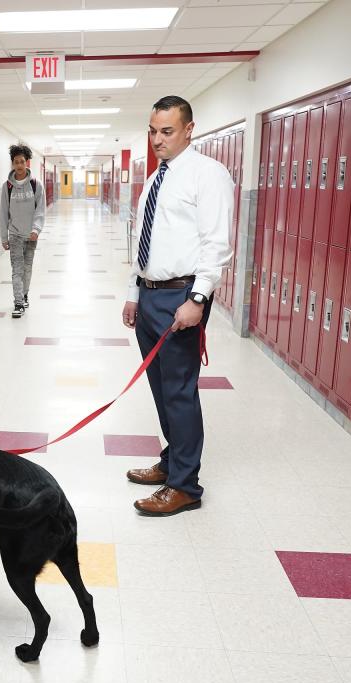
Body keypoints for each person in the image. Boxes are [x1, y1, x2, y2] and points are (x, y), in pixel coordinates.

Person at [121, 95, 233, 517]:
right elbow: (143, 242)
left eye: (166, 131)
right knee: (160, 389)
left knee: (180, 392)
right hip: (150, 293)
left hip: (181, 297)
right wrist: (134, 293)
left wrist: (198, 299)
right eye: (152, 130)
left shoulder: (209, 175)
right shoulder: (155, 179)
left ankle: (184, 485)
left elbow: (216, 243)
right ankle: (172, 463)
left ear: (189, 129)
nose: (157, 139)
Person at [0, 144, 45, 318]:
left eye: (22, 162)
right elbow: (3, 212)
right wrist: (4, 237)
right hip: (15, 234)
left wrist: (36, 229)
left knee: (27, 268)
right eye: (16, 162)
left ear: (27, 163)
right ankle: (18, 302)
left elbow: (40, 209)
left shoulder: (35, 184)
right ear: (12, 164)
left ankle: (25, 294)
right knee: (17, 269)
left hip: (31, 235)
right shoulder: (7, 186)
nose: (19, 165)